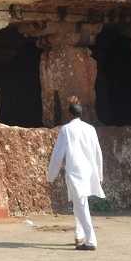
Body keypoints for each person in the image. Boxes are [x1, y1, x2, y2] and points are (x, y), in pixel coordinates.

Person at [46, 100, 104, 251]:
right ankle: (79, 235)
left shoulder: (66, 129)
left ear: (69, 114)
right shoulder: (90, 128)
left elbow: (58, 155)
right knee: (79, 204)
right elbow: (98, 152)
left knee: (81, 205)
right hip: (88, 171)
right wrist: (99, 173)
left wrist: (51, 175)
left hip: (75, 172)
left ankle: (91, 240)